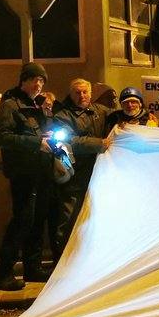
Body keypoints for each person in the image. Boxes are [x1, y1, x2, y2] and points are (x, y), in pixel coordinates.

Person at [0, 62, 53, 291]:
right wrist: (37, 142)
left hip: (41, 170)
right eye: (33, 79)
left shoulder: (36, 105)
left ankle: (32, 266)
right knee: (22, 220)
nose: (38, 84)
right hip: (23, 173)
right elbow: (0, 136)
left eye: (41, 80)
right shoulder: (10, 105)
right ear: (23, 80)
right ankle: (5, 272)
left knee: (37, 220)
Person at [50, 78, 110, 262]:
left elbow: (122, 121)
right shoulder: (62, 115)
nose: (81, 96)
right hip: (74, 175)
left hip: (98, 174)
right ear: (71, 94)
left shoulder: (101, 112)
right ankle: (64, 261)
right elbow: (69, 140)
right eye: (77, 92)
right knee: (69, 219)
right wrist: (98, 143)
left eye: (85, 92)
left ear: (91, 93)